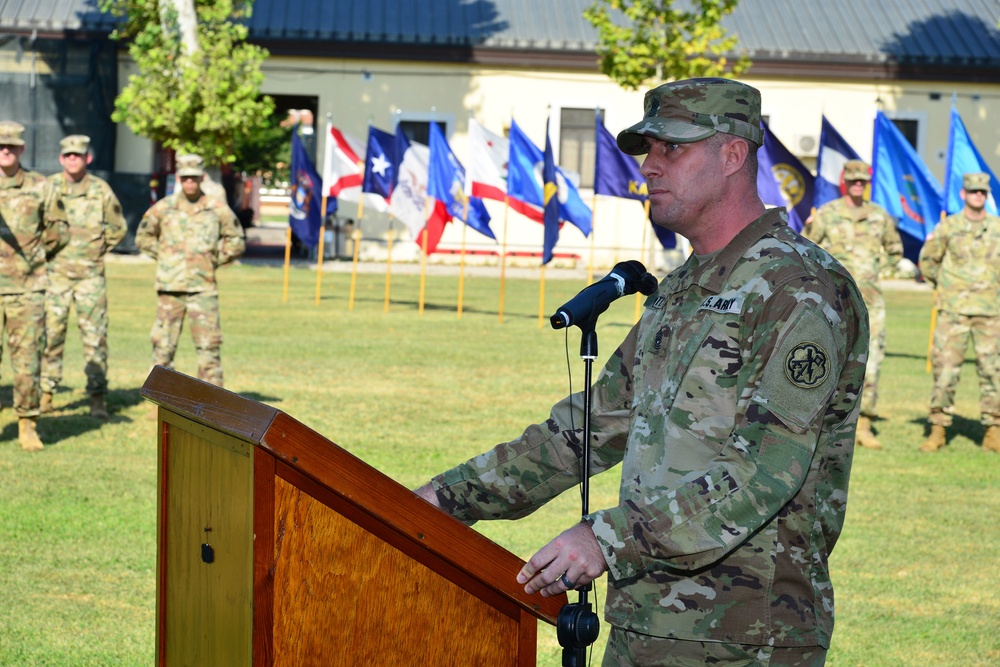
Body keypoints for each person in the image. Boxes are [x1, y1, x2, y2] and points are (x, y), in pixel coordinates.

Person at [415, 78, 869, 667]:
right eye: (647, 151)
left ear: (732, 154)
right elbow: (582, 433)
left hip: (746, 637)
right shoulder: (681, 289)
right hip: (644, 623)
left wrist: (607, 539)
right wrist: (442, 500)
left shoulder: (799, 288)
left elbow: (764, 470)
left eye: (670, 149)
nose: (649, 168)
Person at [803, 160, 903, 450]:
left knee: (870, 362)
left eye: (863, 181)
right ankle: (825, 421)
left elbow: (895, 252)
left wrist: (874, 270)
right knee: (825, 357)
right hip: (832, 301)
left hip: (870, 300)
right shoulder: (827, 214)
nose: (858, 185)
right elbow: (807, 248)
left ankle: (865, 424)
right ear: (845, 181)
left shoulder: (879, 216)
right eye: (854, 180)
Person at [135, 153, 245, 387]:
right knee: (163, 348)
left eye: (194, 178)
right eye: (185, 179)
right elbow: (143, 237)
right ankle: (159, 402)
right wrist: (166, 257)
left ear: (202, 177)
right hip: (170, 288)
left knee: (209, 348)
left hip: (202, 289)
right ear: (178, 178)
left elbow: (236, 240)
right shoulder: (164, 208)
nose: (190, 183)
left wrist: (212, 260)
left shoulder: (216, 209)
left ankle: (213, 405)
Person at [42, 135, 127, 419]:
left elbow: (117, 227)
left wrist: (97, 249)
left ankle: (97, 398)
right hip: (56, 275)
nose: (73, 159)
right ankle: (46, 394)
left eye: (78, 155)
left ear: (87, 158)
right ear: (61, 158)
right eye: (68, 155)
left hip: (90, 277)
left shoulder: (100, 190)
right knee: (51, 335)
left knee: (94, 338)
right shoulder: (49, 187)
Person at [917, 172, 1000, 453]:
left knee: (993, 372)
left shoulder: (997, 228)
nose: (978, 195)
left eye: (982, 192)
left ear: (986, 195)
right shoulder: (948, 227)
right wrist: (946, 287)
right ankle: (938, 429)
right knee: (946, 372)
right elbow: (928, 260)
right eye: (973, 191)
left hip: (991, 312)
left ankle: (993, 430)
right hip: (953, 311)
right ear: (963, 194)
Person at [0, 121, 69, 450]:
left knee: (27, 360)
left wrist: (36, 257)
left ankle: (27, 423)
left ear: (21, 149)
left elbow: (59, 231)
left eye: (11, 146)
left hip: (26, 288)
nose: (5, 151)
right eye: (1, 146)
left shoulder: (41, 187)